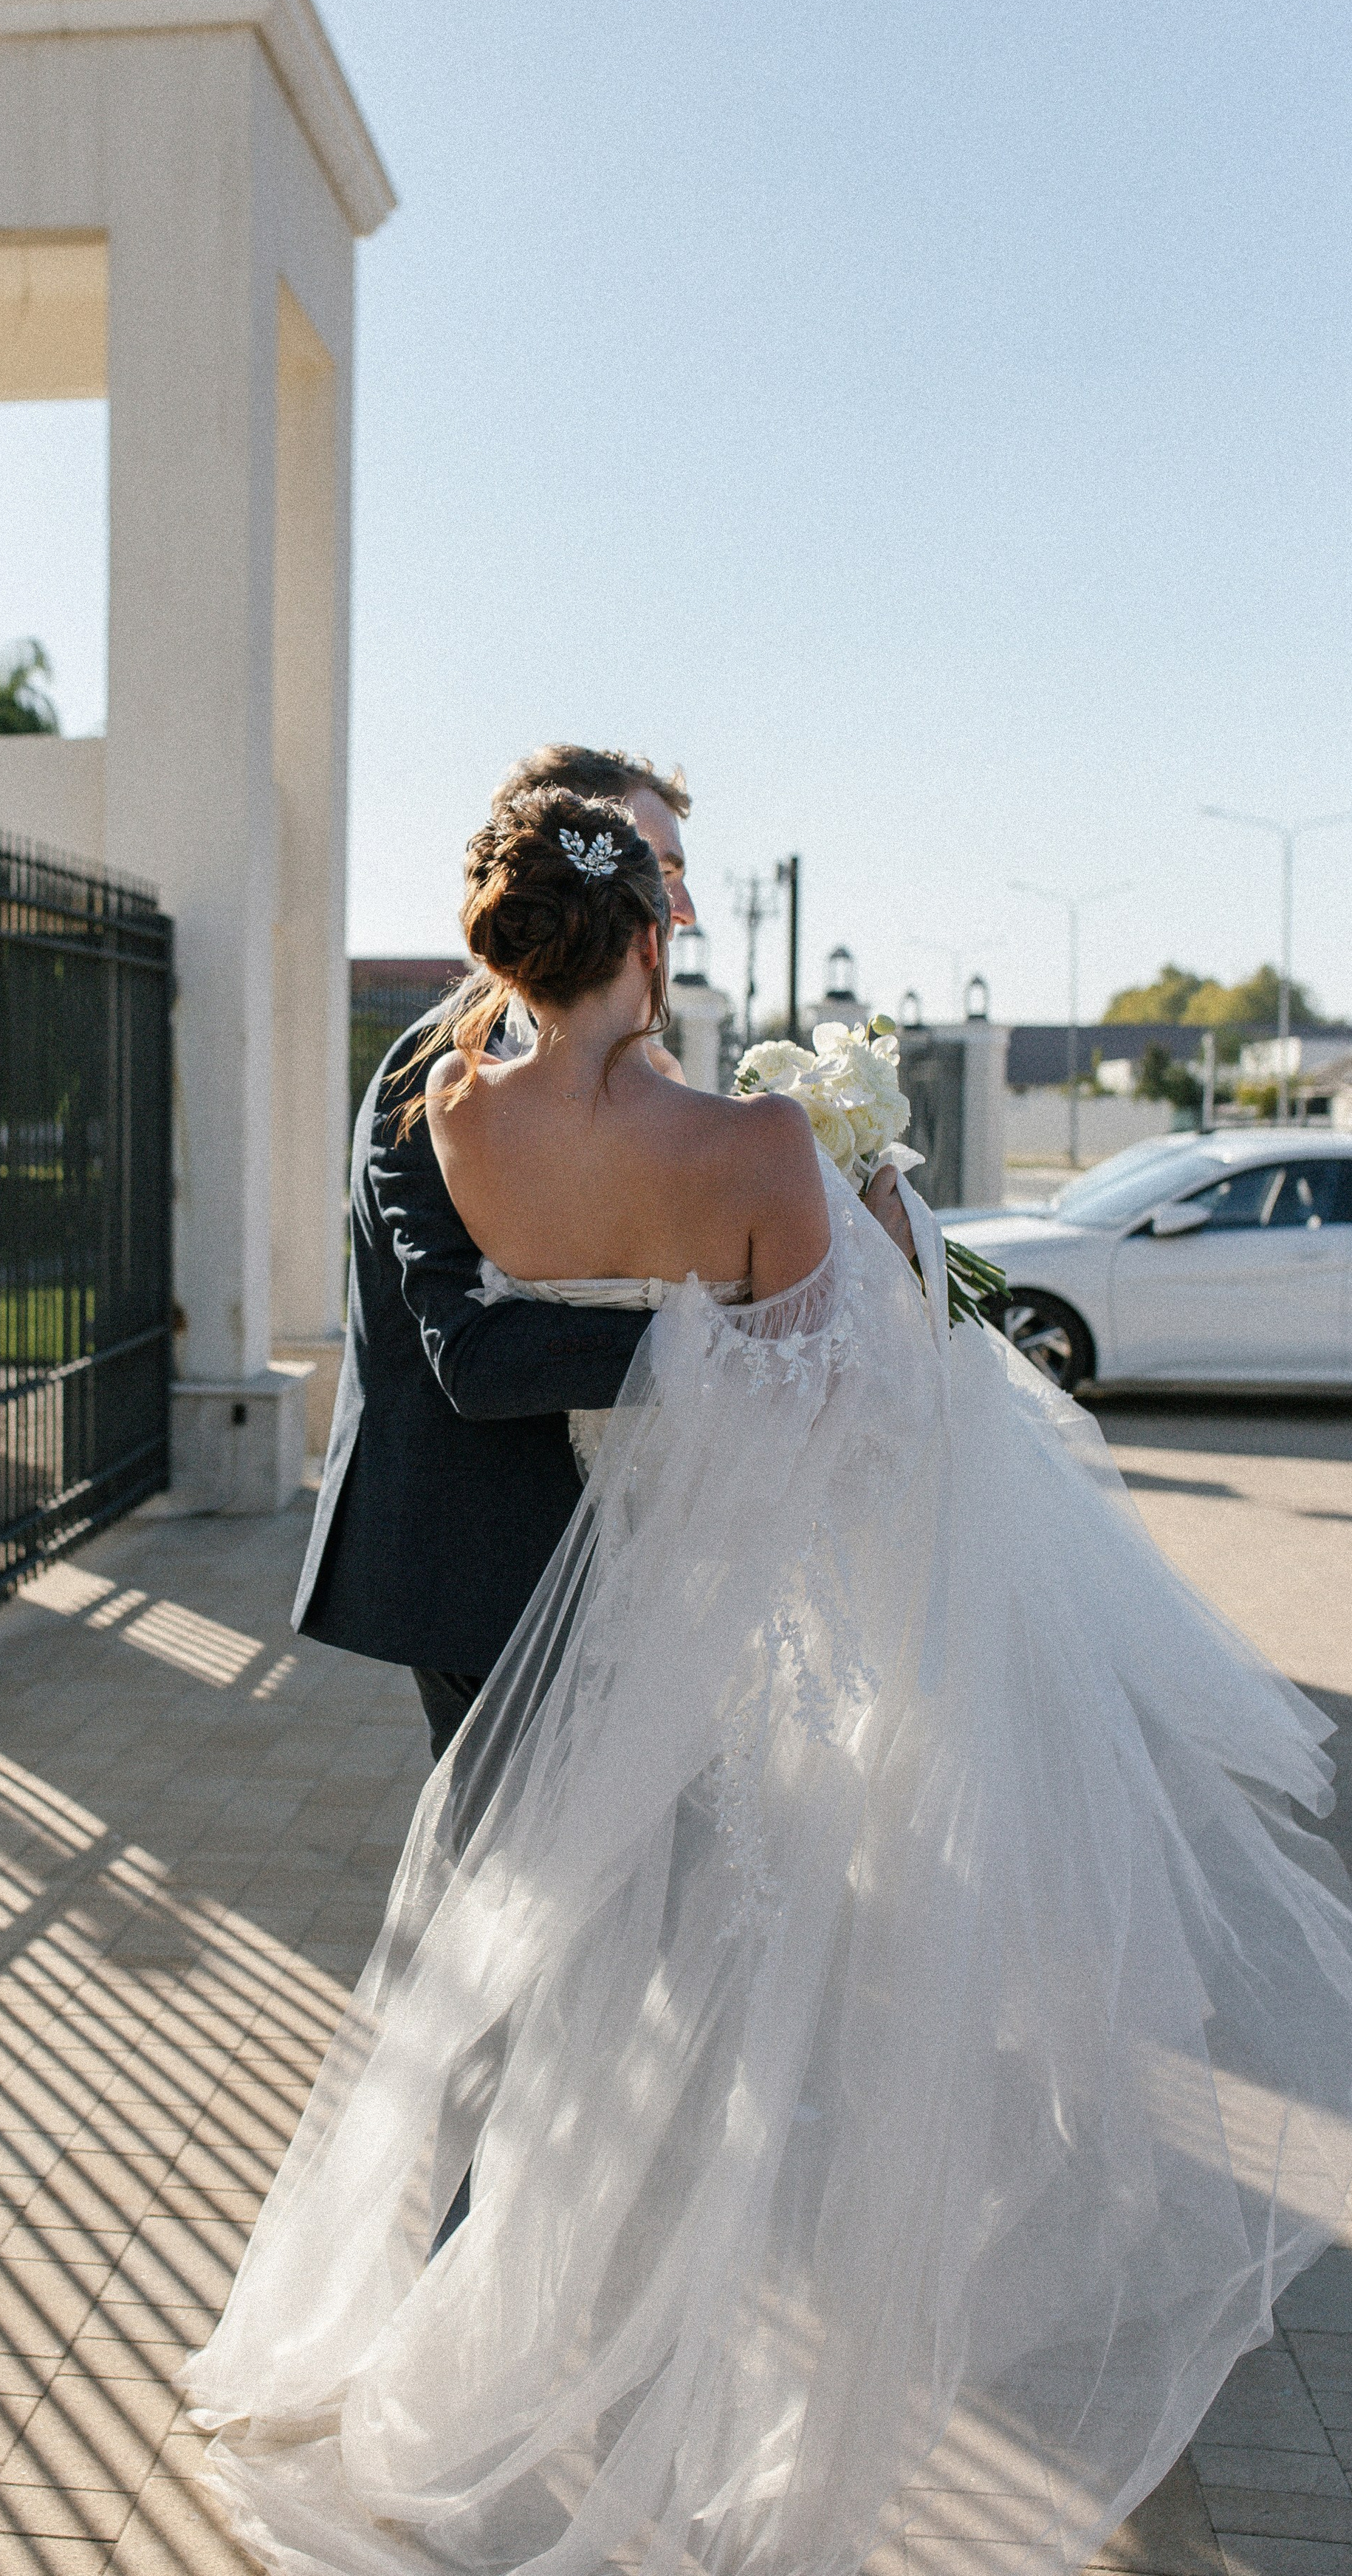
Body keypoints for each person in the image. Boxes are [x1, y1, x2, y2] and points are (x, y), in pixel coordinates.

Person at [186, 787, 1352, 2576]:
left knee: (561, 1973)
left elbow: (551, 1328)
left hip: (588, 1596)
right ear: (646, 936)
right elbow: (842, 1409)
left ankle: (505, 2333)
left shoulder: (455, 1111)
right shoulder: (745, 1144)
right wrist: (874, 1228)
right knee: (727, 2008)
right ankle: (624, 2357)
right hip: (697, 1608)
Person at [296, 741, 906, 1763]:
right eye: (661, 870)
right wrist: (751, 1323)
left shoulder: (633, 1075)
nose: (683, 906)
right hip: (481, 1564)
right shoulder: (437, 1081)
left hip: (635, 1561)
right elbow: (475, 1354)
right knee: (512, 1851)